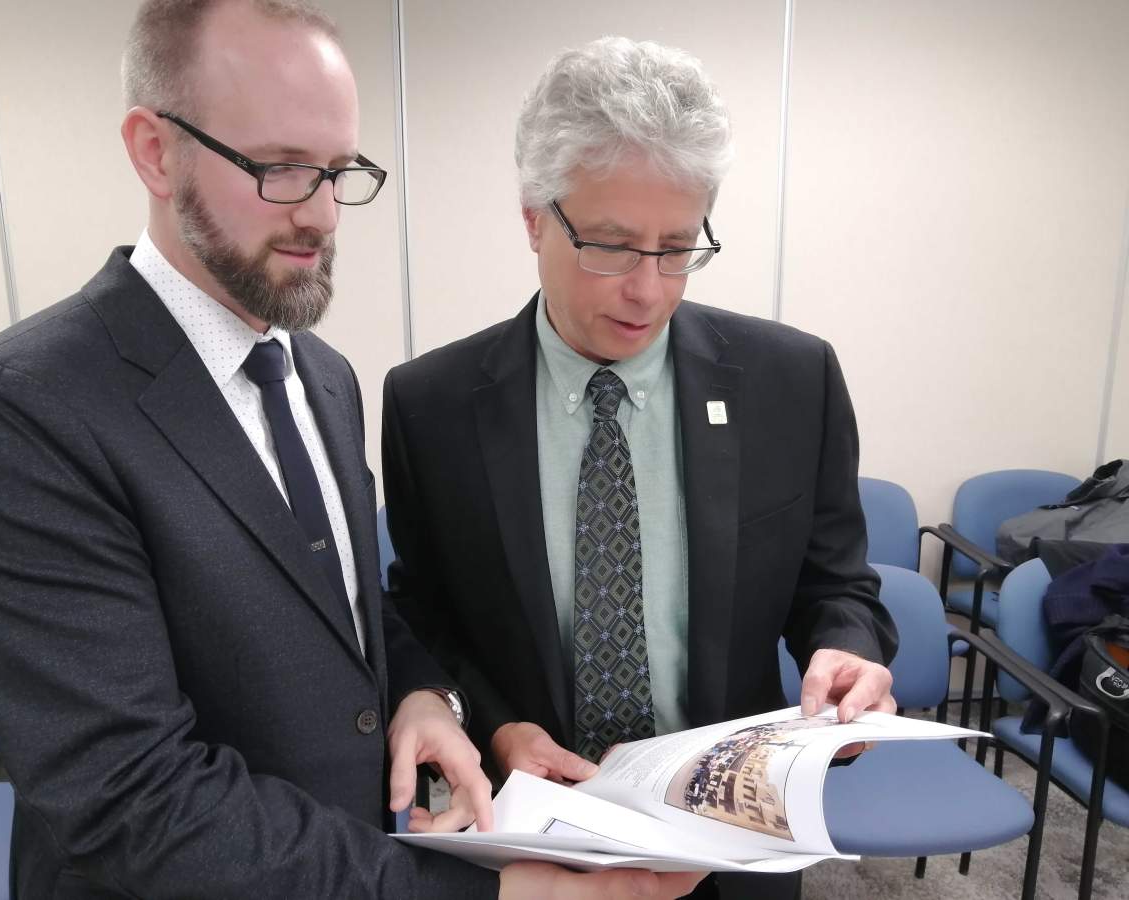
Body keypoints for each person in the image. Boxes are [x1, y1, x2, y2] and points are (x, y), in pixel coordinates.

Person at [0, 5, 703, 898]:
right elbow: (129, 797)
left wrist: (420, 693)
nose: (325, 215)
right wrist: (491, 893)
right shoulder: (24, 409)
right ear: (154, 151)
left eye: (340, 171)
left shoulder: (321, 375)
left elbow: (342, 609)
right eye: (283, 168)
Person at [381, 36, 899, 899]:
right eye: (613, 246)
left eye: (678, 246)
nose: (649, 290)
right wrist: (500, 726)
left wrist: (846, 655)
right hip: (535, 842)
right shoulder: (431, 403)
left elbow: (835, 585)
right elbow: (424, 614)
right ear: (534, 218)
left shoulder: (790, 380)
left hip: (728, 838)